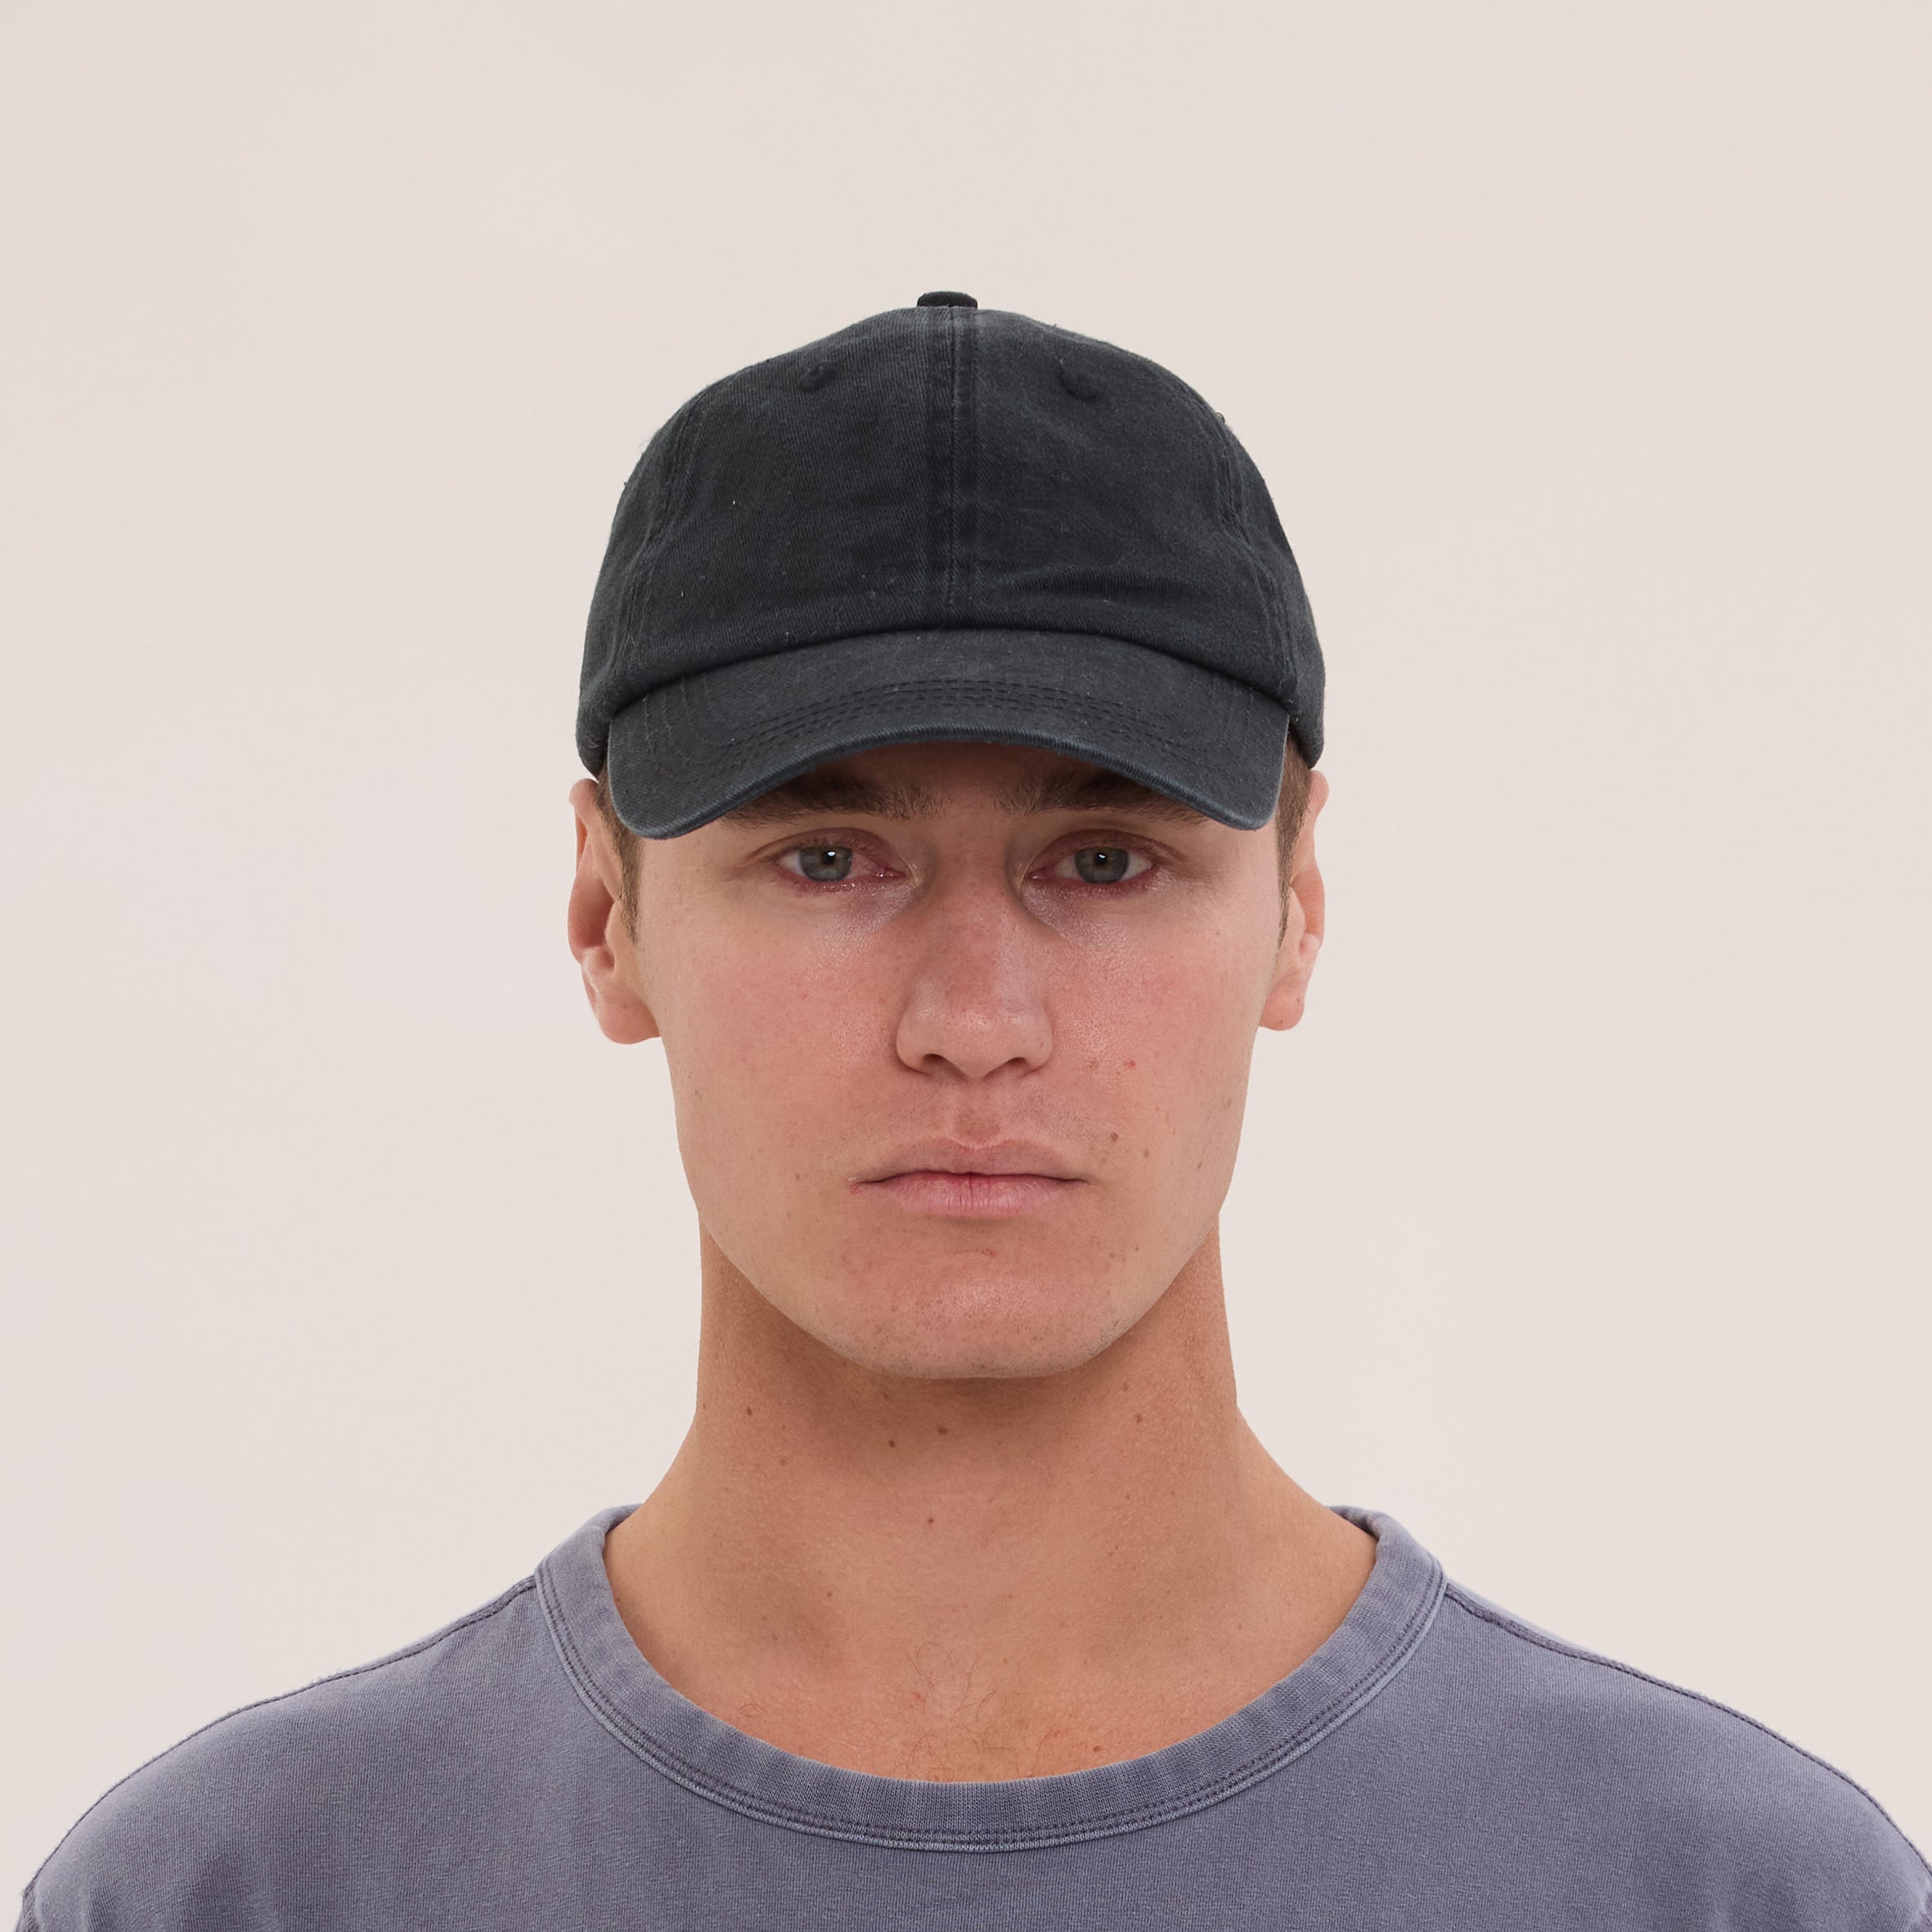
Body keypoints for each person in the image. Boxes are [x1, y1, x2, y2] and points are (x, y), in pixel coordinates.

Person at [18, 292, 1928, 1931]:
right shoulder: (240, 1891)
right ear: (607, 913)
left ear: (1295, 901)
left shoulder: (1727, 1892)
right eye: (826, 856)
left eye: (1101, 859)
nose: (970, 1022)